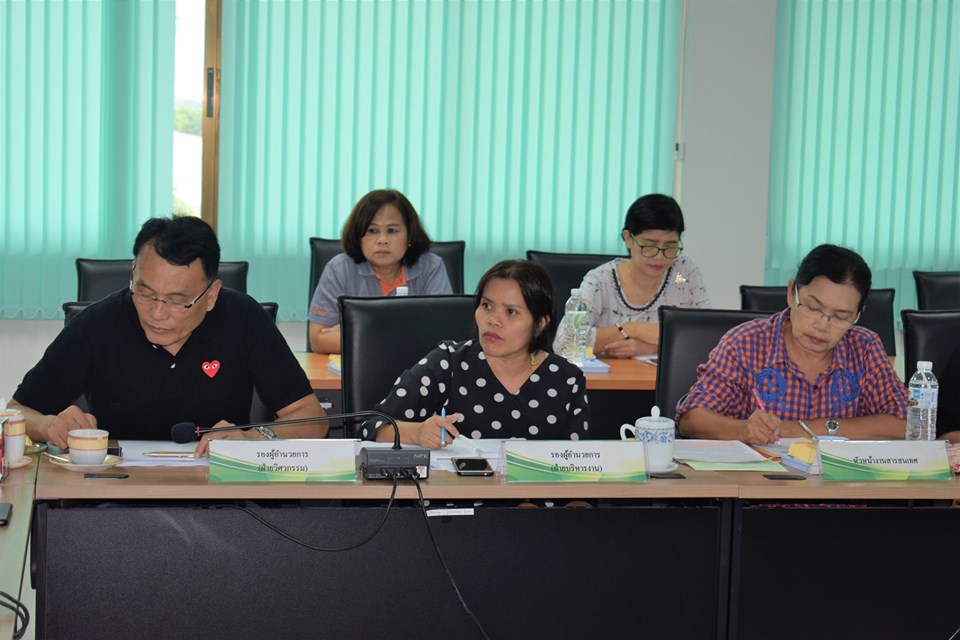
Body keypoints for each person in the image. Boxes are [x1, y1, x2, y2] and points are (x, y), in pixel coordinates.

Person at [10, 216, 327, 455]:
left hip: (221, 495)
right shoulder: (96, 324)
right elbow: (16, 412)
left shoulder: (244, 318)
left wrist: (254, 438)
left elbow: (312, 419)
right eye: (145, 293)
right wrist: (48, 425)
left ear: (211, 295)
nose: (157, 313)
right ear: (133, 274)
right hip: (116, 495)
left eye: (177, 301)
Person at [677, 244, 907, 444]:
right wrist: (744, 430)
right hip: (762, 481)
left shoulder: (864, 348)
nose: (822, 325)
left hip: (840, 481)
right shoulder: (746, 343)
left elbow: (905, 422)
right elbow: (691, 419)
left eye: (840, 316)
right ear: (791, 293)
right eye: (813, 308)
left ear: (858, 314)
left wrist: (805, 429)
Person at [361, 259, 591, 446]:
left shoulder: (566, 379)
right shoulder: (448, 363)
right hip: (459, 490)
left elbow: (580, 469)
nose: (493, 320)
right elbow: (372, 427)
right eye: (487, 306)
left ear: (540, 324)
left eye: (511, 312)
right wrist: (418, 432)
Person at [555, 193, 709, 359]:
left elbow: (708, 335)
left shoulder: (683, 273)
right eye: (649, 245)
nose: (660, 256)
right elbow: (564, 343)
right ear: (628, 238)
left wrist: (649, 347)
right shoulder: (601, 281)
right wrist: (633, 329)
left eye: (670, 246)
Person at [308, 189, 453, 353]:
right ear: (358, 236)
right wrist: (403, 334)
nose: (382, 240)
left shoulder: (431, 267)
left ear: (410, 235)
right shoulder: (339, 269)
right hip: (360, 367)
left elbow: (441, 335)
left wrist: (356, 334)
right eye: (372, 230)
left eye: (392, 230)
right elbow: (318, 340)